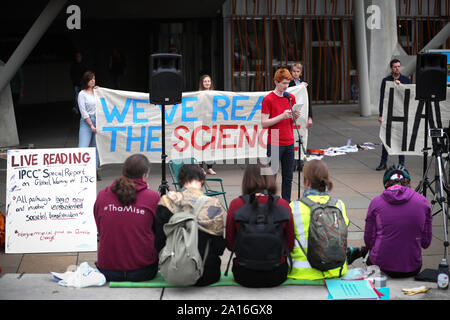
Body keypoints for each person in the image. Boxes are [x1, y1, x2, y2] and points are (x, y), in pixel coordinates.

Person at [154, 164, 226, 286]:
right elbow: (219, 248)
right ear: (202, 182)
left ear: (180, 181)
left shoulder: (167, 201)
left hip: (172, 271)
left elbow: (159, 242)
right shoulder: (213, 205)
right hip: (207, 273)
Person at [225, 162, 295, 287]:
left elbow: (230, 245)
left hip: (244, 274)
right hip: (277, 273)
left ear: (246, 180)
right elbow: (290, 246)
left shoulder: (236, 204)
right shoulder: (283, 205)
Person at [93, 154, 161, 282]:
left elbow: (100, 229)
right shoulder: (153, 198)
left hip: (107, 271)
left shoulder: (102, 196)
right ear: (144, 175)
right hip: (143, 270)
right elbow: (159, 234)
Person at [362, 164, 432, 278]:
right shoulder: (423, 202)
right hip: (412, 266)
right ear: (407, 182)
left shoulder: (376, 202)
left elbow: (369, 240)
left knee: (369, 253)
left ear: (386, 184)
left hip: (381, 265)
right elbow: (426, 242)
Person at [288, 159, 350, 280]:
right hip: (335, 270)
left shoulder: (294, 207)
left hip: (302, 273)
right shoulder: (339, 205)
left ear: (306, 181)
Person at [261, 68, 300, 202]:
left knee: (288, 177)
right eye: (283, 83)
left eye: (288, 83)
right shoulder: (268, 99)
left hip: (289, 139)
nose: (286, 86)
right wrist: (282, 116)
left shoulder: (290, 97)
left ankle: (286, 204)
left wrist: (295, 116)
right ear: (276, 82)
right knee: (271, 176)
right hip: (275, 139)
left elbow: (292, 121)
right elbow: (264, 123)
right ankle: (269, 203)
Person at [376, 59, 410, 171]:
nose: (397, 68)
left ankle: (401, 163)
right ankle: (383, 162)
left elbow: (409, 96)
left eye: (399, 66)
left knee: (401, 138)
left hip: (401, 113)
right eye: (395, 67)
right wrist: (381, 114)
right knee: (386, 139)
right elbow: (382, 98)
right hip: (388, 113)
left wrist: (400, 86)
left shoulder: (406, 80)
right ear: (391, 68)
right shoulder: (386, 81)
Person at [78, 71, 100, 177]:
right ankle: (81, 170)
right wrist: (91, 125)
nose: (93, 81)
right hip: (87, 122)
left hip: (98, 120)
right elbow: (83, 112)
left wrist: (101, 91)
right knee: (83, 147)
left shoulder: (97, 92)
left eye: (94, 79)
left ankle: (95, 170)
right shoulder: (82, 94)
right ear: (86, 81)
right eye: (91, 79)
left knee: (96, 148)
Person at [198, 74, 216, 175]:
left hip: (210, 122)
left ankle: (209, 167)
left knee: (209, 145)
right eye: (205, 81)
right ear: (202, 83)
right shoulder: (199, 94)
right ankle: (201, 167)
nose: (207, 83)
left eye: (208, 81)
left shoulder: (214, 94)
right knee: (200, 145)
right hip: (201, 123)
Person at [289, 63, 313, 129]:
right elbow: (290, 92)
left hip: (302, 109)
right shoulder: (288, 83)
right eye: (294, 71)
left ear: (301, 73)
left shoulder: (305, 84)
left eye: (298, 71)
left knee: (301, 130)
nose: (296, 73)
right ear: (291, 72)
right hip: (291, 108)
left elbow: (308, 101)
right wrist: (299, 87)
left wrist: (310, 116)